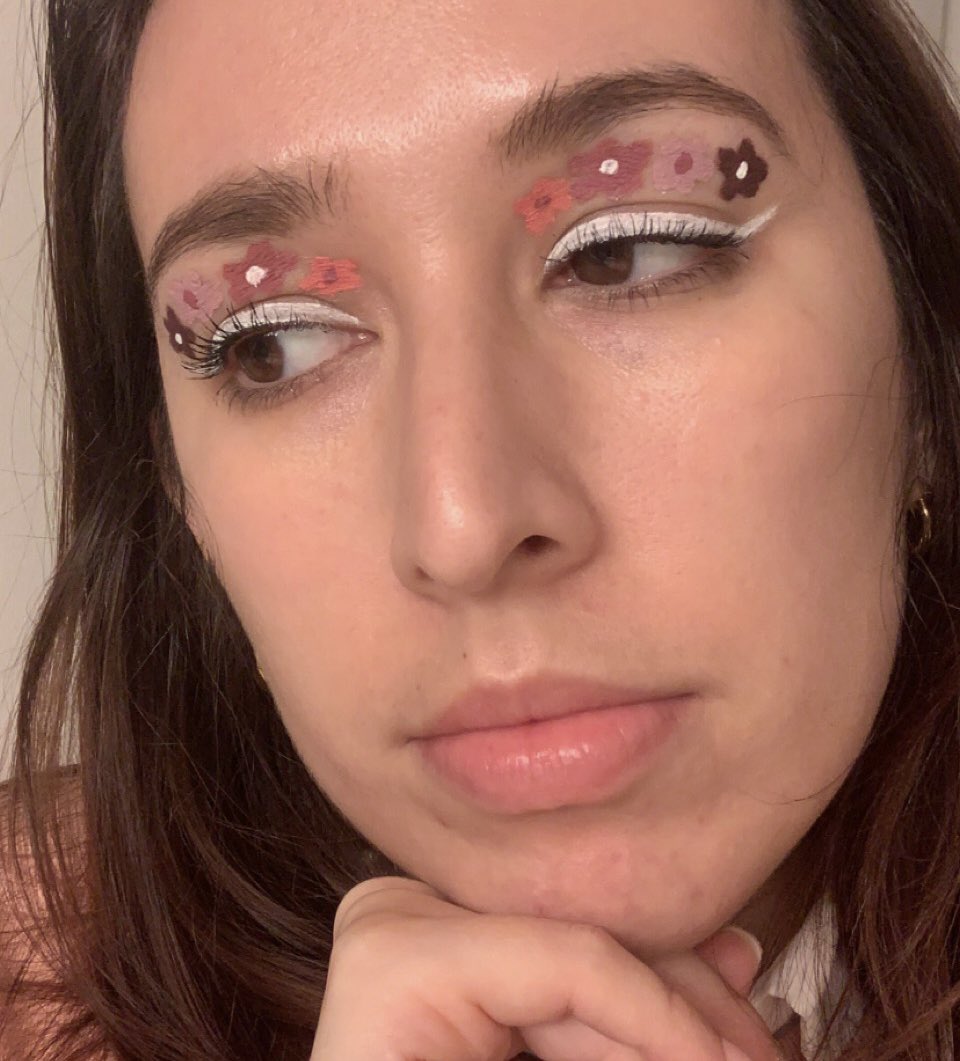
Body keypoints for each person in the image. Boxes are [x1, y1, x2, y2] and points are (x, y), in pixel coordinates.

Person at [2, 0, 960, 1057]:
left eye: (627, 250)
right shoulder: (34, 981)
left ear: (924, 356)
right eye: (269, 342)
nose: (462, 526)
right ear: (187, 500)